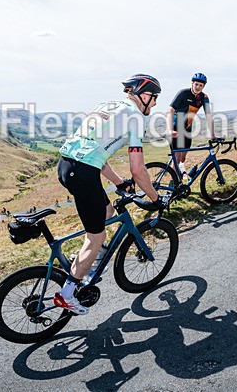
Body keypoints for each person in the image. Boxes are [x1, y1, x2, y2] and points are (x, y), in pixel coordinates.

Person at [55, 74, 170, 315]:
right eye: (155, 98)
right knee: (95, 236)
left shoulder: (106, 105)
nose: (156, 104)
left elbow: (95, 152)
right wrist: (155, 198)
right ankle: (68, 293)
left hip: (67, 166)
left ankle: (91, 262)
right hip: (83, 173)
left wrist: (118, 182)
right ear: (144, 95)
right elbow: (138, 170)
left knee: (107, 211)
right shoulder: (137, 117)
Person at [167, 73, 218, 176]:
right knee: (176, 159)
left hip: (188, 129)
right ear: (192, 83)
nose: (198, 87)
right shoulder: (183, 93)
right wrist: (170, 129)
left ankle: (181, 178)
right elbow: (171, 109)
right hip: (177, 128)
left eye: (201, 85)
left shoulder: (204, 97)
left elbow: (209, 116)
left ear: (204, 86)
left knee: (183, 158)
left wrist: (213, 135)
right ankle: (174, 184)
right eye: (196, 84)